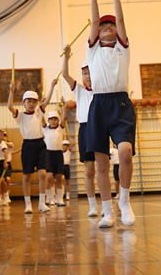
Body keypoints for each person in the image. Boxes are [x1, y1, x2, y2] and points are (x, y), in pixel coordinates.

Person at [87, 0, 137, 229]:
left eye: (111, 25)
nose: (107, 26)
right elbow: (95, 18)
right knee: (101, 163)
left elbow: (121, 17)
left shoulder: (122, 48)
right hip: (98, 105)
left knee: (125, 152)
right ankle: (107, 212)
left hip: (121, 104)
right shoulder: (93, 50)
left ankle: (124, 201)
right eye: (103, 26)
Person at [8, 79, 56, 213]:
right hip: (28, 146)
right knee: (27, 176)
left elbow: (46, 101)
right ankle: (28, 204)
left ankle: (41, 202)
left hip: (40, 144)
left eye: (34, 102)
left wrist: (52, 86)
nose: (31, 104)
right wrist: (11, 91)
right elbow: (10, 106)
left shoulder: (39, 112)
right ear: (23, 102)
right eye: (28, 101)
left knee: (42, 174)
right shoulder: (20, 115)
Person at [62, 49, 99, 216]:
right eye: (84, 73)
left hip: (99, 129)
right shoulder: (79, 90)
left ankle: (106, 205)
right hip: (84, 130)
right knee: (89, 170)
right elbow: (65, 74)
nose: (88, 76)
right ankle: (93, 206)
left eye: (90, 72)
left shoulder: (101, 91)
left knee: (103, 169)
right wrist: (66, 56)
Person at [42, 111, 66, 206]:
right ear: (48, 120)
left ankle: (59, 199)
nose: (53, 121)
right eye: (51, 119)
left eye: (55, 119)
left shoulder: (60, 128)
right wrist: (41, 107)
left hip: (58, 154)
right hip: (48, 154)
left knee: (59, 177)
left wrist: (63, 108)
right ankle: (50, 198)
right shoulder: (45, 129)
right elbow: (41, 118)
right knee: (49, 178)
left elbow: (64, 119)